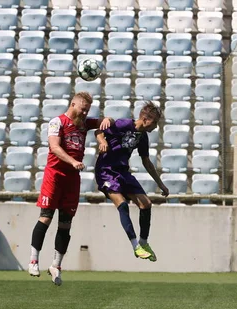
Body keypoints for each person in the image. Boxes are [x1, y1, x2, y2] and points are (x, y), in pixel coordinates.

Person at [29, 92, 113, 285]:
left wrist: (105, 127)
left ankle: (56, 266)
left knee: (66, 223)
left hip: (72, 179)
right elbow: (55, 147)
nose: (84, 113)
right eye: (82, 109)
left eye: (87, 110)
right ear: (72, 104)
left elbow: (105, 121)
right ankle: (34, 259)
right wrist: (73, 161)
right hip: (55, 175)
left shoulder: (84, 123)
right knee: (46, 217)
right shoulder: (57, 122)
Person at [94, 101, 169, 261]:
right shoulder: (124, 124)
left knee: (146, 204)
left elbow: (146, 162)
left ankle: (143, 242)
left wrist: (160, 184)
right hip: (106, 171)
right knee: (122, 204)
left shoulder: (142, 137)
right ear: (145, 119)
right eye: (155, 122)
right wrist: (103, 141)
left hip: (122, 172)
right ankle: (135, 246)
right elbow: (98, 131)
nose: (156, 127)